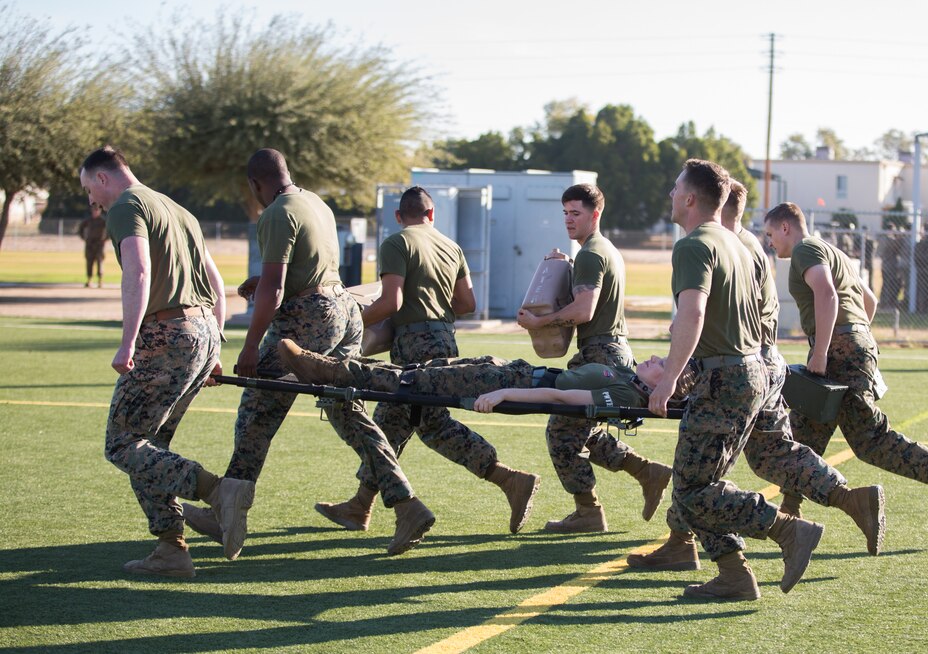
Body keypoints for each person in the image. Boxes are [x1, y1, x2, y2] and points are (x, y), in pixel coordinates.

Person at [183, 149, 435, 556]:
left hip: (307, 319)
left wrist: (250, 345)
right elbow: (306, 268)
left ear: (255, 184)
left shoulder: (276, 213)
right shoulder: (315, 202)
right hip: (344, 311)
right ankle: (406, 503)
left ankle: (226, 510)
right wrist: (262, 280)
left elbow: (276, 290)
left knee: (257, 414)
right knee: (347, 411)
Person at [629, 179, 884, 575]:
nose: (672, 195)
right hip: (762, 365)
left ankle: (752, 539)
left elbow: (701, 317)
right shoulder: (746, 245)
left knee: (701, 477)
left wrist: (673, 372)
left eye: (678, 189)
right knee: (771, 455)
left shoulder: (716, 244)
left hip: (735, 367)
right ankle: (849, 501)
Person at [643, 159, 826, 602]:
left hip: (724, 378)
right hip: (748, 373)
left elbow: (693, 313)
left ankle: (787, 530)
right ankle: (734, 575)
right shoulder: (737, 245)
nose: (670, 196)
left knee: (690, 489)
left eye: (674, 189)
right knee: (697, 487)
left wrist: (668, 379)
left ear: (690, 198)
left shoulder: (694, 245)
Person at [314, 187, 541, 535]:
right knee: (405, 424)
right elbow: (467, 304)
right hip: (444, 339)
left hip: (412, 345)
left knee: (414, 422)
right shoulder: (451, 246)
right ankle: (361, 505)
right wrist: (433, 305)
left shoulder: (397, 242)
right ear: (432, 214)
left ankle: (509, 479)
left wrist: (353, 323)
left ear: (399, 216)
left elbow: (391, 301)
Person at [79, 146, 252, 578]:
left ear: (103, 178)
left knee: (122, 444)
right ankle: (171, 549)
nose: (90, 202)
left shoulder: (126, 206)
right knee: (149, 448)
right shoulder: (177, 209)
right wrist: (214, 342)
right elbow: (214, 279)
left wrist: (128, 342)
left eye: (88, 190)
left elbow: (137, 272)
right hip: (200, 331)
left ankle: (218, 491)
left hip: (165, 334)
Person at [763, 202, 928, 521]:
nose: (769, 241)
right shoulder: (831, 250)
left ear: (786, 227)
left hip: (838, 348)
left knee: (869, 439)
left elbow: (826, 295)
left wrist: (824, 349)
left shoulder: (805, 250)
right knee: (805, 432)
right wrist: (855, 336)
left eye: (770, 233)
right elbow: (870, 300)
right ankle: (789, 513)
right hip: (854, 342)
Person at [516, 184, 671, 533]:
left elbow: (585, 310)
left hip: (602, 353)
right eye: (565, 213)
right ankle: (646, 472)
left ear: (595, 214)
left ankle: (589, 512)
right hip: (607, 350)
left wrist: (539, 321)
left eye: (577, 214)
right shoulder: (602, 249)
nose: (569, 220)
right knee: (579, 430)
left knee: (561, 434)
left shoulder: (591, 253)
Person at [277, 339, 687, 416]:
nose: (653, 358)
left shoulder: (625, 395)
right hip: (517, 370)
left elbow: (562, 400)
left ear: (658, 386)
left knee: (411, 384)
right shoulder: (625, 376)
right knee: (425, 372)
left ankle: (327, 368)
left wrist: (502, 391)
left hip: (516, 383)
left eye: (661, 363)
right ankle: (330, 364)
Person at [77, 203, 109, 288]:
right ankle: (89, 280)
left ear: (100, 211)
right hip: (90, 244)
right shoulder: (88, 220)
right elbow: (80, 228)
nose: (95, 212)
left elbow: (110, 230)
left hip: (99, 244)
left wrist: (105, 239)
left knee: (100, 262)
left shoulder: (103, 221)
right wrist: (84, 237)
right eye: (94, 210)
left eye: (97, 210)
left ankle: (100, 281)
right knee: (89, 262)